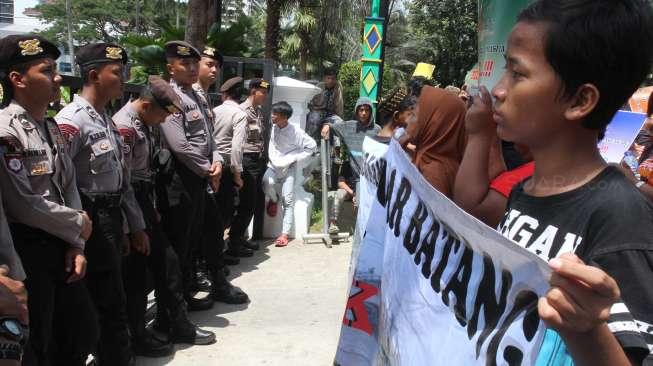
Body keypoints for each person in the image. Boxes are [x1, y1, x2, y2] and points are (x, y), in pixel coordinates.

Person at [479, 0, 653, 364]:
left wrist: (586, 330)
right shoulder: (522, 192)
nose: (498, 90)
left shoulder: (620, 217)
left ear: (580, 100)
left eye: (517, 73)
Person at [0, 35, 98, 366]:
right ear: (17, 79)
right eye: (47, 71)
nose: (57, 78)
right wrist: (78, 224)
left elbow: (68, 184)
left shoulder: (52, 127)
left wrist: (76, 244)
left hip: (62, 244)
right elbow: (22, 203)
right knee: (37, 342)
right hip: (29, 250)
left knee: (82, 331)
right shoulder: (6, 131)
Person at [55, 42, 146, 366]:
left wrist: (128, 226)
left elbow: (120, 181)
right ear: (94, 75)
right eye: (118, 73)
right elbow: (59, 182)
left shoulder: (104, 119)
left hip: (108, 217)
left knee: (112, 299)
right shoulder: (72, 121)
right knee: (102, 304)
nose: (125, 79)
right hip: (87, 218)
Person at [115, 76, 216, 354]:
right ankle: (139, 335)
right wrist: (134, 226)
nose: (162, 121)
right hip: (131, 205)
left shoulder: (143, 121)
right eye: (161, 114)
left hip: (144, 200)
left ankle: (172, 323)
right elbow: (123, 183)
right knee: (138, 275)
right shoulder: (125, 126)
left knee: (166, 264)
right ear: (147, 105)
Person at [159, 41, 248, 306]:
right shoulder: (174, 97)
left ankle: (212, 284)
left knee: (210, 229)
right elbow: (180, 145)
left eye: (215, 66)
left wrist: (218, 161)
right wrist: (209, 170)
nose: (212, 70)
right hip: (184, 177)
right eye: (207, 64)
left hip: (203, 176)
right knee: (186, 241)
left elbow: (210, 139)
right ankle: (182, 301)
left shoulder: (198, 97)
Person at [321, 97, 380, 234]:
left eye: (366, 110)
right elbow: (332, 124)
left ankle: (369, 235)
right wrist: (327, 126)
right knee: (357, 205)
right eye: (361, 110)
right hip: (356, 179)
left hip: (372, 177)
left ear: (371, 112)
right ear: (357, 111)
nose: (364, 113)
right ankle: (338, 226)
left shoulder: (377, 130)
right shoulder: (349, 127)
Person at [263, 102, 316, 246]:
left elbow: (312, 146)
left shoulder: (296, 132)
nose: (272, 116)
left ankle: (284, 235)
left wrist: (294, 157)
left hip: (289, 168)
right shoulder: (271, 127)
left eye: (275, 114)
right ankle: (273, 199)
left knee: (288, 199)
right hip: (273, 165)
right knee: (267, 183)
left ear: (285, 117)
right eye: (272, 113)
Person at [212, 76, 254, 257]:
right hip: (227, 168)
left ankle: (213, 255)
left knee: (213, 215)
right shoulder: (240, 114)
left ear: (224, 95)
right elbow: (236, 148)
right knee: (224, 214)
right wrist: (237, 175)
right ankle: (217, 255)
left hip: (211, 165)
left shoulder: (214, 111)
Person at [403, 86, 467, 198]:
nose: (407, 120)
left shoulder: (433, 172)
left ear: (434, 123)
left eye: (414, 115)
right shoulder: (428, 156)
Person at [230, 78, 270, 251]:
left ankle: (239, 238)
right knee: (246, 203)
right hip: (246, 161)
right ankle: (234, 242)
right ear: (254, 91)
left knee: (252, 203)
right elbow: (237, 142)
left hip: (257, 161)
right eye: (264, 93)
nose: (265, 96)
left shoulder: (258, 111)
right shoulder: (242, 111)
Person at [306, 69, 344, 141]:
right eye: (328, 78)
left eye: (333, 78)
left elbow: (340, 104)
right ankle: (308, 141)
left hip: (331, 115)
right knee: (314, 119)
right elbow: (310, 102)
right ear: (324, 78)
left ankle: (336, 148)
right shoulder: (319, 86)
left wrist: (340, 116)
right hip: (318, 112)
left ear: (336, 79)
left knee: (340, 123)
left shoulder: (338, 87)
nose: (330, 81)